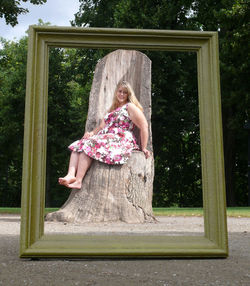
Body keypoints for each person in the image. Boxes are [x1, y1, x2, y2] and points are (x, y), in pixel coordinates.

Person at [58, 80, 151, 189]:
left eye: (124, 92)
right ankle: (70, 175)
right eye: (120, 91)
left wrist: (144, 147)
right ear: (116, 92)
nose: (121, 94)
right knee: (79, 144)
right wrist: (91, 133)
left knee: (90, 145)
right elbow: (101, 127)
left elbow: (144, 125)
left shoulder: (130, 106)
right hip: (106, 137)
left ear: (128, 95)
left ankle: (78, 181)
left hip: (120, 139)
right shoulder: (112, 110)